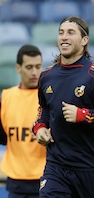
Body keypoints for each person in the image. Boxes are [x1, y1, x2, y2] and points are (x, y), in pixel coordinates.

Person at [32, 16, 94, 197]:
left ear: (84, 40)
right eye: (61, 32)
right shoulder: (46, 76)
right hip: (56, 165)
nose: (64, 37)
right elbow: (43, 109)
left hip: (90, 167)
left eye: (70, 33)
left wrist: (84, 115)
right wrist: (39, 128)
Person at [0, 44, 44, 197]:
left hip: (45, 179)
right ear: (18, 68)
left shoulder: (49, 98)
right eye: (29, 67)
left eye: (38, 67)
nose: (34, 72)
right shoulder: (6, 98)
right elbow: (3, 138)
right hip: (16, 182)